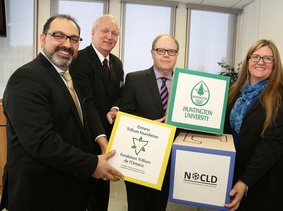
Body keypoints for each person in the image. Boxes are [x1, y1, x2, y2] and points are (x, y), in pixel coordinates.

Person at [0, 14, 123, 211]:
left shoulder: (68, 78)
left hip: (65, 187)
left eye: (73, 39)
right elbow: (41, 141)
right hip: (38, 195)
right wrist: (91, 164)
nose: (66, 44)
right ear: (42, 39)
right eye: (58, 36)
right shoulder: (26, 78)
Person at [107, 34, 179, 211]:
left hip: (169, 158)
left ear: (177, 54)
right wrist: (149, 127)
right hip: (140, 156)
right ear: (152, 53)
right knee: (137, 205)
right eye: (160, 50)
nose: (166, 55)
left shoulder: (185, 83)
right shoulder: (135, 79)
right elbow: (126, 113)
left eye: (171, 51)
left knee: (159, 205)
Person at [224, 39, 283, 211]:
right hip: (233, 170)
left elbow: (271, 146)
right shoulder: (234, 92)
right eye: (256, 57)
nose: (260, 62)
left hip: (262, 179)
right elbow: (221, 128)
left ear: (275, 65)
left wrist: (245, 181)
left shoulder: (282, 98)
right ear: (248, 61)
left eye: (268, 58)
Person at [70, 14, 124, 211]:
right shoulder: (80, 60)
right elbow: (87, 102)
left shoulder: (117, 63)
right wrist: (101, 137)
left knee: (102, 195)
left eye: (114, 33)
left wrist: (115, 108)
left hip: (108, 138)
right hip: (87, 138)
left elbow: (120, 94)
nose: (110, 36)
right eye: (105, 31)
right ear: (93, 33)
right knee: (83, 195)